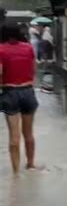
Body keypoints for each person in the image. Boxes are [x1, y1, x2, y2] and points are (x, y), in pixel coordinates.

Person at [0, 22, 38, 174]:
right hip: (28, 91)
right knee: (28, 134)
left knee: (14, 137)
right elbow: (34, 69)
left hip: (10, 93)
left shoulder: (1, 49)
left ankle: (15, 174)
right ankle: (30, 165)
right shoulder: (28, 48)